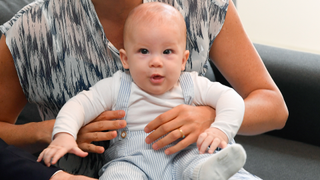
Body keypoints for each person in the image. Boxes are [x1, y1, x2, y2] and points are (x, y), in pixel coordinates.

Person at [0, 0, 288, 179]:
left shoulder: (202, 6)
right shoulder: (31, 30)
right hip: (115, 167)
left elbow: (274, 106)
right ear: (126, 58)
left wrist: (210, 119)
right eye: (144, 52)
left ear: (183, 58)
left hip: (191, 158)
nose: (155, 63)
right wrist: (56, 131)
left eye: (167, 52)